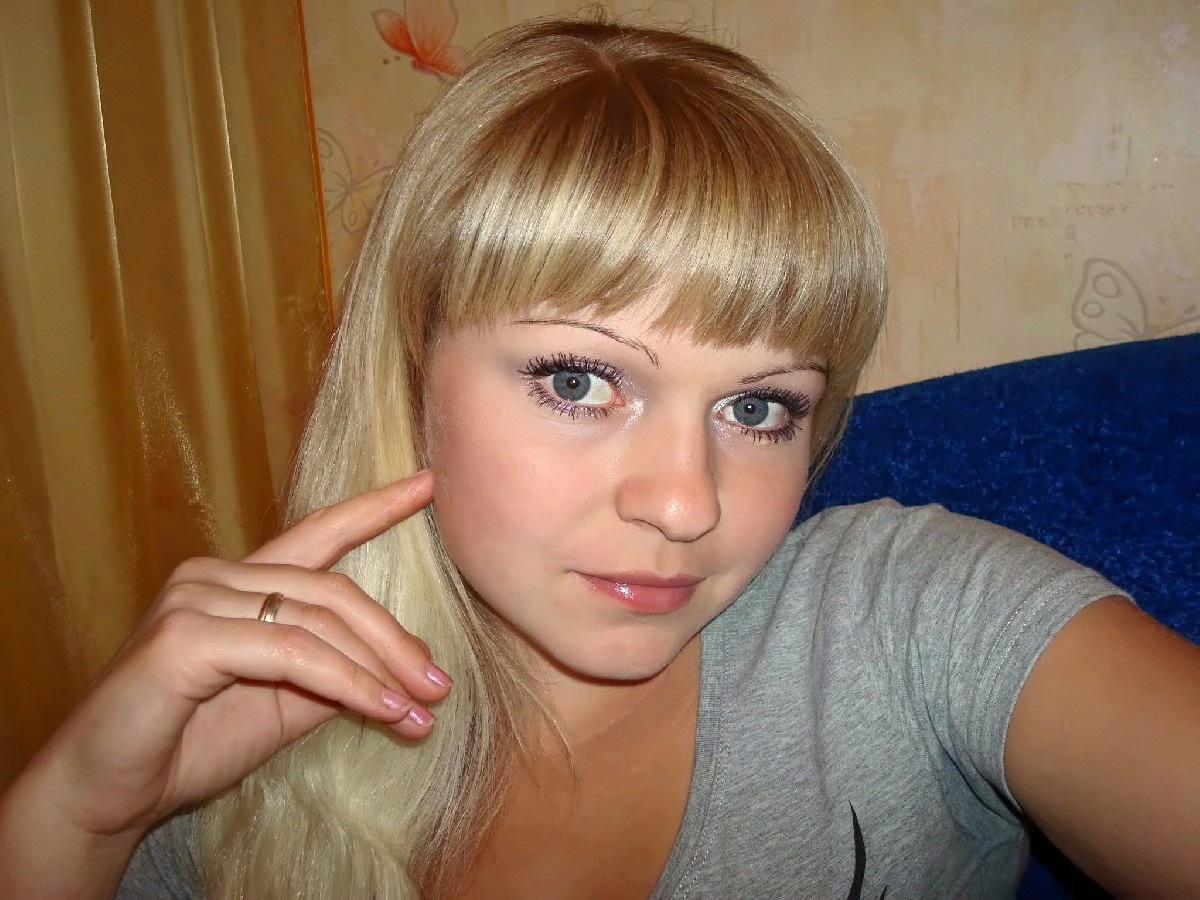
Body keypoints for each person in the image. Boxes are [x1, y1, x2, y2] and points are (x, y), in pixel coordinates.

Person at [2, 15, 1198, 900]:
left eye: (759, 407)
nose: (684, 505)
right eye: (579, 381)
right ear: (410, 375)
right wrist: (74, 822)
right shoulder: (235, 756)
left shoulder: (908, 622)